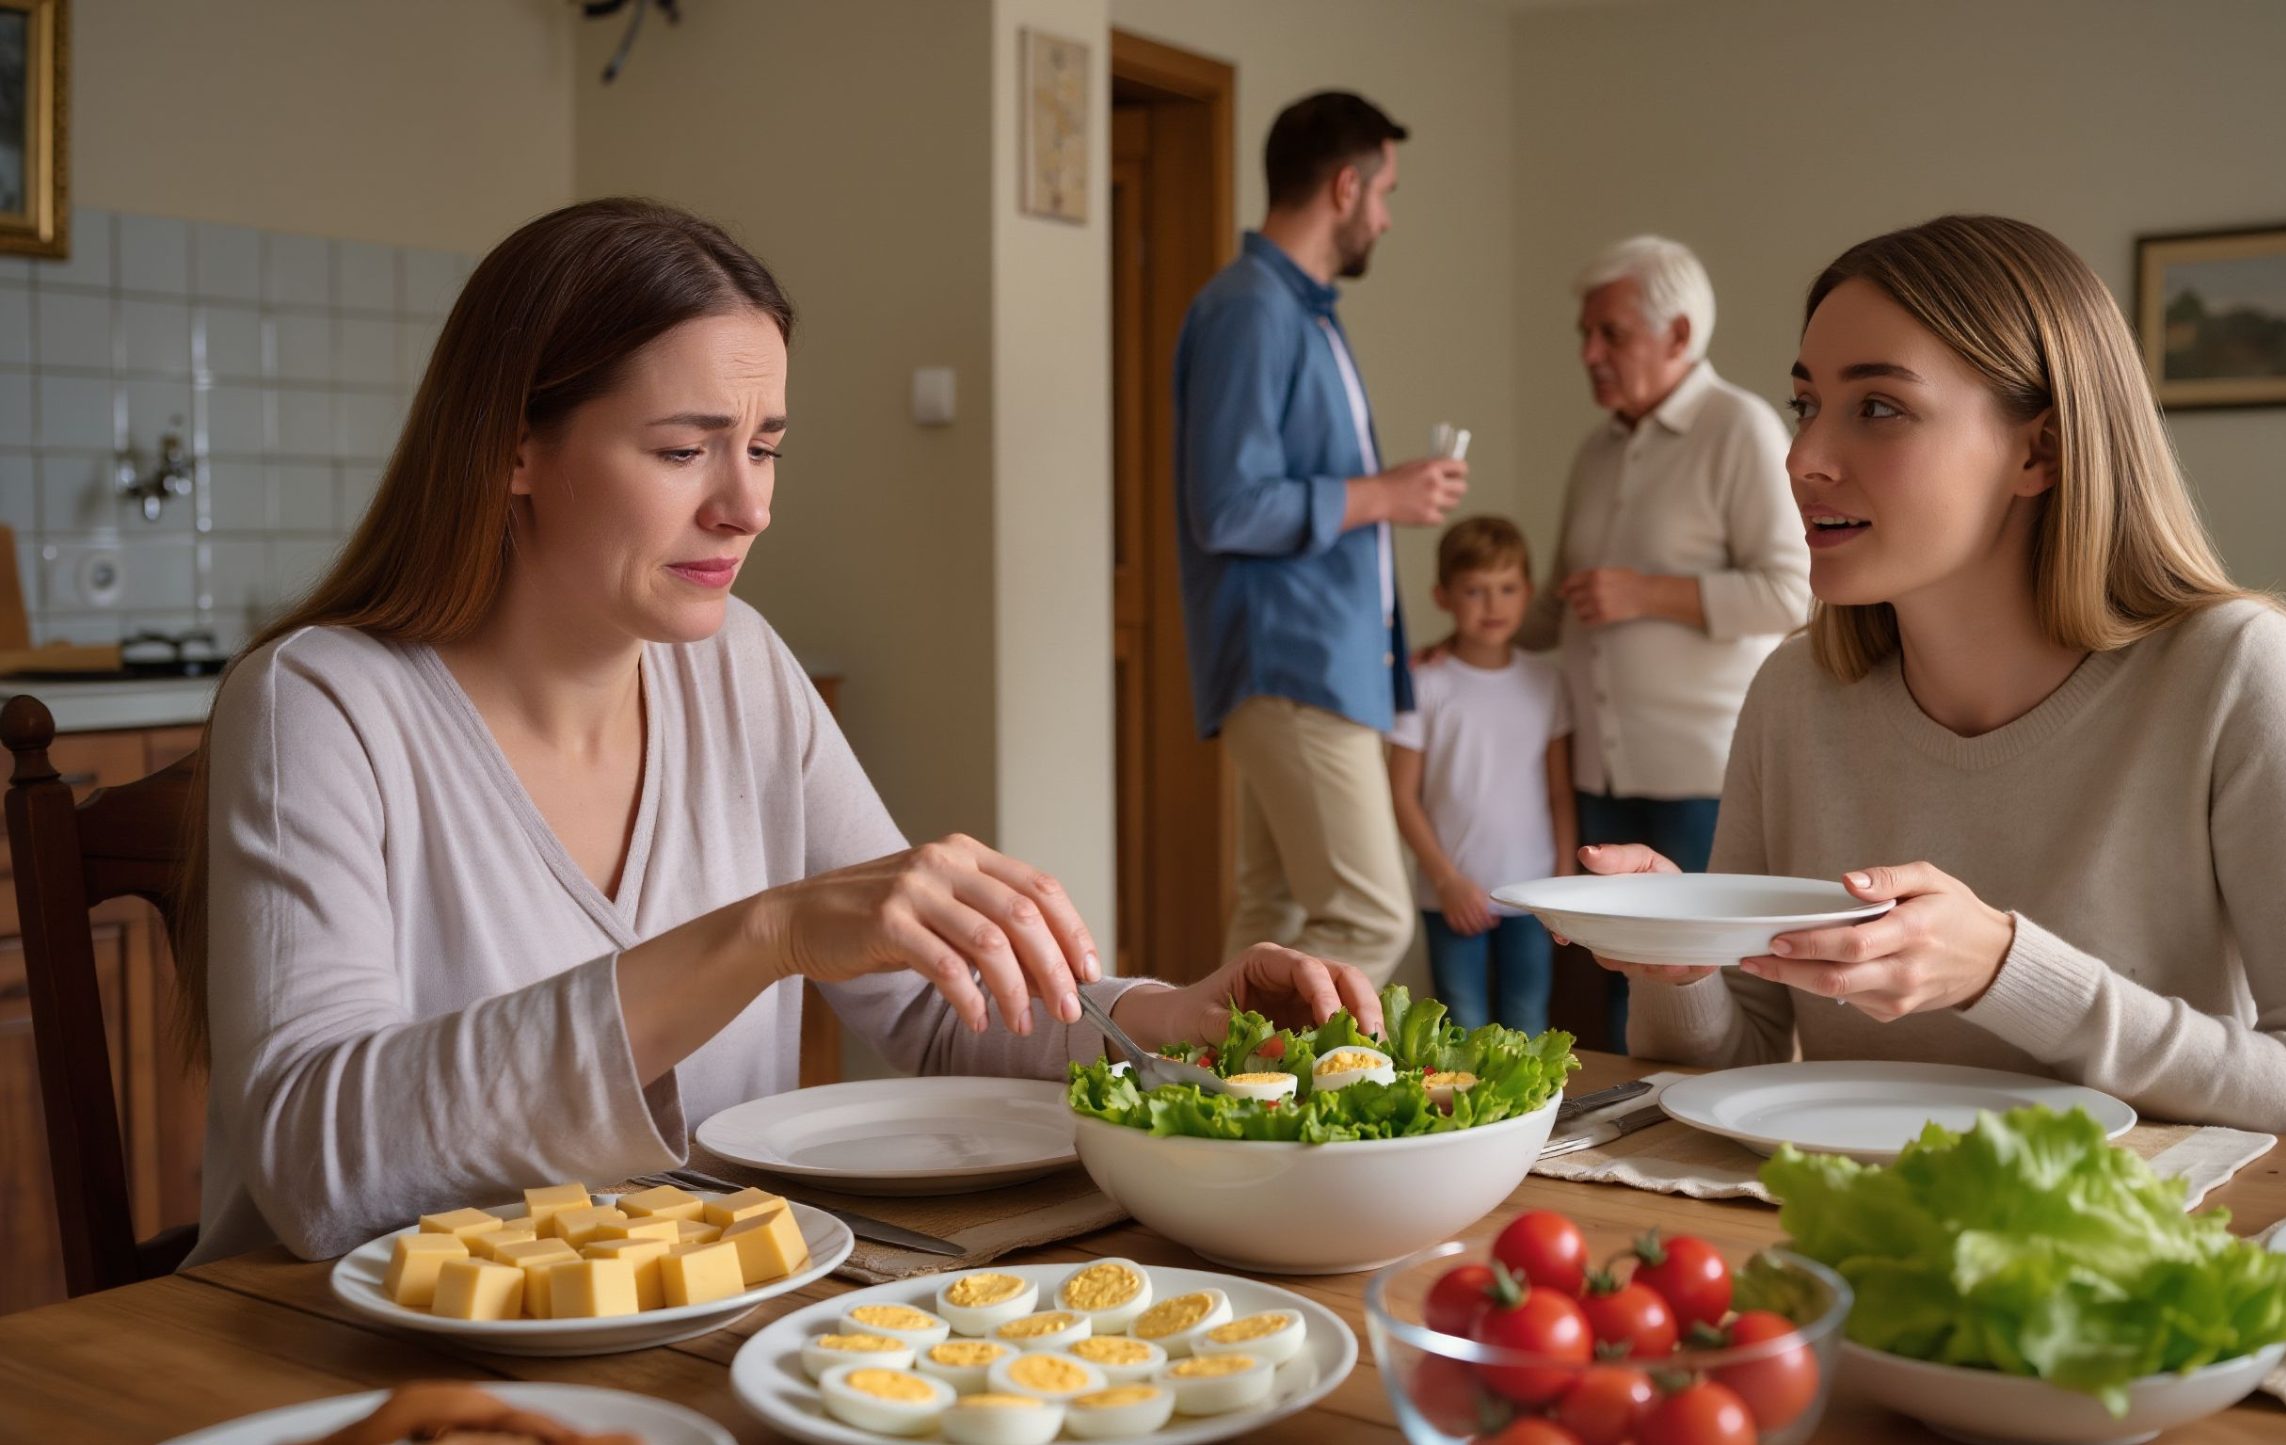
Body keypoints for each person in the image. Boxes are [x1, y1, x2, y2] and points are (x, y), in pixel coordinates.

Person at [182, 199, 1387, 1264]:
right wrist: (763, 934)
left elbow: (927, 1007)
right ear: (513, 445)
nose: (746, 504)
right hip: (338, 1367)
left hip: (692, 1338)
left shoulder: (740, 669)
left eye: (763, 447)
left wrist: (1167, 1016)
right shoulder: (319, 704)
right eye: (681, 448)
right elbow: (313, 1166)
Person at [1583, 215, 2286, 1147]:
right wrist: (1685, 959)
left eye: (1876, 408)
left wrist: (2010, 973)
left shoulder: (2232, 670)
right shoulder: (1795, 693)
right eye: (1805, 405)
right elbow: (1731, 1082)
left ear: (2042, 451)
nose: (1803, 459)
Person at [1172, 90, 1468, 986]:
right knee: (1372, 920)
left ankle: (1206, 1110)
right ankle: (1241, 1105)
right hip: (1294, 666)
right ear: (1346, 186)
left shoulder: (1295, 311)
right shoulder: (1254, 311)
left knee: (1277, 919)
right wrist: (1381, 494)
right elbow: (1226, 507)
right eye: (1384, 193)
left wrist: (1384, 497)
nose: (1387, 216)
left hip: (1313, 664)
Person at [1517, 235, 1811, 1049]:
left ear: (1678, 336)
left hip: (1701, 775)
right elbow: (1559, 603)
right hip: (1598, 770)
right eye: (1586, 334)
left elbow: (1796, 592)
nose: (1589, 354)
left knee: (1695, 985)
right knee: (1606, 976)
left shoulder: (1741, 430)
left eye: (1610, 334)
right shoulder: (1595, 451)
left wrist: (1646, 592)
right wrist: (1462, 645)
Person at [1388, 518, 1574, 1032]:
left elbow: (1559, 793)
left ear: (1528, 595)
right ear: (1443, 596)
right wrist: (1447, 881)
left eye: (1507, 589)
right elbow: (1401, 795)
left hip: (1532, 895)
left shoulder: (1547, 681)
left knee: (1527, 1021)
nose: (1492, 605)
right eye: (1474, 590)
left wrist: (1560, 885)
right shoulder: (1423, 683)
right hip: (1450, 895)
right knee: (1461, 1023)